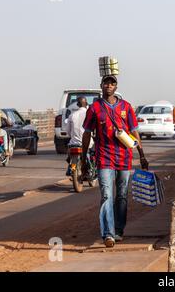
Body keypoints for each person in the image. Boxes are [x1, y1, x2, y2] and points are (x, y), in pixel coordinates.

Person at [81, 75, 149, 248]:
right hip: (104, 158)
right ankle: (108, 234)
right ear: (101, 86)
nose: (109, 86)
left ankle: (118, 230)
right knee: (106, 195)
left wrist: (142, 155)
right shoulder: (95, 108)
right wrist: (83, 159)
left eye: (112, 83)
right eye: (106, 83)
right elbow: (87, 133)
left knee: (122, 196)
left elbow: (134, 133)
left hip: (124, 158)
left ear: (116, 87)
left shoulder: (126, 107)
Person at [64, 96, 92, 176]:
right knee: (93, 153)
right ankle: (90, 170)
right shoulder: (90, 114)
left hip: (74, 143)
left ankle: (71, 168)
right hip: (88, 143)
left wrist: (73, 136)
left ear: (77, 104)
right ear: (86, 104)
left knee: (72, 159)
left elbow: (68, 131)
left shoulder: (72, 115)